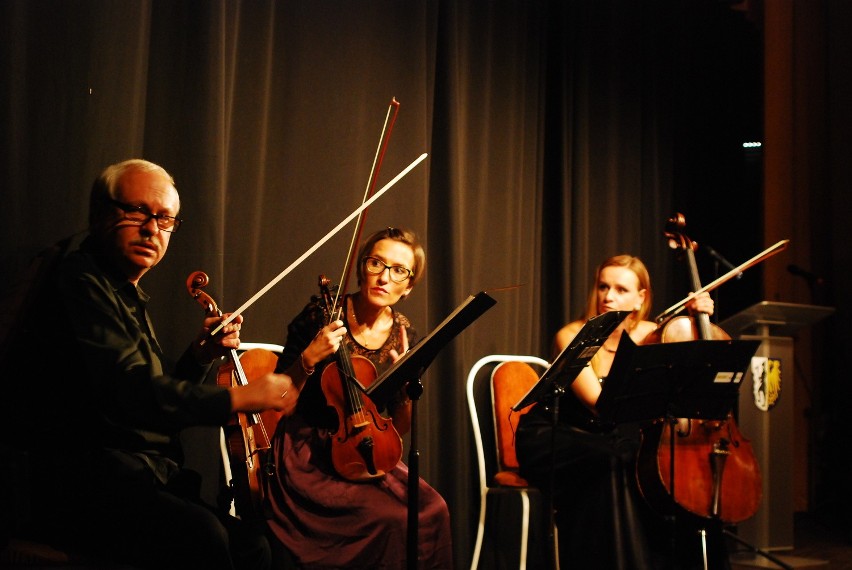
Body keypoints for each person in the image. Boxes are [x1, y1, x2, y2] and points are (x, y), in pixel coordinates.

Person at [1, 159, 295, 569]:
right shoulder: (79, 281)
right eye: (136, 211)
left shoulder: (122, 290)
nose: (151, 228)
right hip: (79, 482)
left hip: (133, 478)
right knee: (203, 539)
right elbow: (132, 392)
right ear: (101, 214)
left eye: (164, 218)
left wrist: (199, 356)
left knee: (254, 545)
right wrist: (238, 398)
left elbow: (151, 403)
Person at [265, 227, 453, 569]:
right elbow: (278, 398)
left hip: (367, 446)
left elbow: (399, 427)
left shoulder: (403, 333)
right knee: (389, 518)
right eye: (376, 263)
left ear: (408, 286)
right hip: (308, 450)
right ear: (360, 269)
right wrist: (309, 357)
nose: (384, 276)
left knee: (433, 510)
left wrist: (405, 388)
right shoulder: (320, 316)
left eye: (399, 270)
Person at [516, 254, 716, 570]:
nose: (608, 296)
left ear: (641, 298)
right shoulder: (572, 335)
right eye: (603, 287)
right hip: (556, 436)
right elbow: (599, 403)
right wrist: (636, 351)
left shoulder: (654, 332)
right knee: (618, 457)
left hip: (607, 439)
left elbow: (697, 364)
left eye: (621, 289)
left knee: (656, 461)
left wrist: (696, 320)